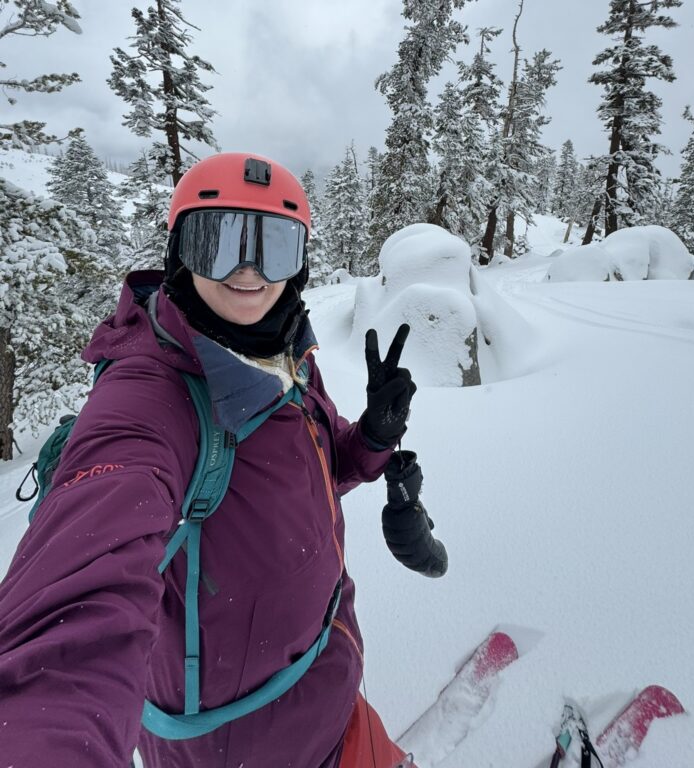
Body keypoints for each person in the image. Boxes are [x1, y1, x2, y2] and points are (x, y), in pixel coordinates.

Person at [0, 152, 418, 768]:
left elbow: (317, 473)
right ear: (179, 252)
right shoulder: (148, 400)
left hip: (328, 686)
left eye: (273, 245)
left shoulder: (287, 353)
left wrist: (372, 440)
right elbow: (68, 630)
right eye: (218, 240)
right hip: (249, 747)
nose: (249, 271)